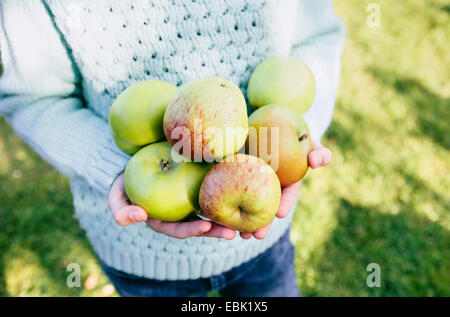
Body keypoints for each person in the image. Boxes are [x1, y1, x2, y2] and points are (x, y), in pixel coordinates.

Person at [0, 0, 345, 296]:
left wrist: (290, 141)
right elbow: (34, 96)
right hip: (139, 256)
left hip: (263, 243)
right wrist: (114, 165)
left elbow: (315, 38)